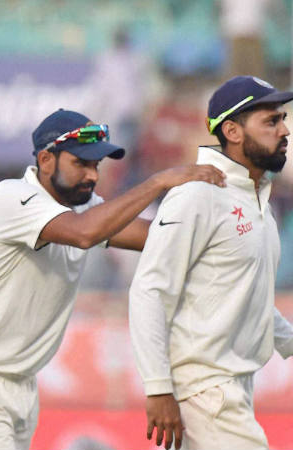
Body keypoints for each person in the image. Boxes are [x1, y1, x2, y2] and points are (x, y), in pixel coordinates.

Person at [0, 108, 226, 450]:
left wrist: (222, 215)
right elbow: (85, 233)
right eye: (81, 164)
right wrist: (159, 181)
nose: (92, 175)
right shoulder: (12, 198)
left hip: (21, 383)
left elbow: (153, 237)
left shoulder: (83, 206)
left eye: (96, 165)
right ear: (46, 160)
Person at [129, 75, 293, 450]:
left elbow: (248, 298)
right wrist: (158, 388)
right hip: (205, 391)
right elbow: (150, 290)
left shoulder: (257, 200)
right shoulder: (198, 195)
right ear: (232, 131)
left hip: (230, 389)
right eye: (271, 121)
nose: (284, 130)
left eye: (283, 119)